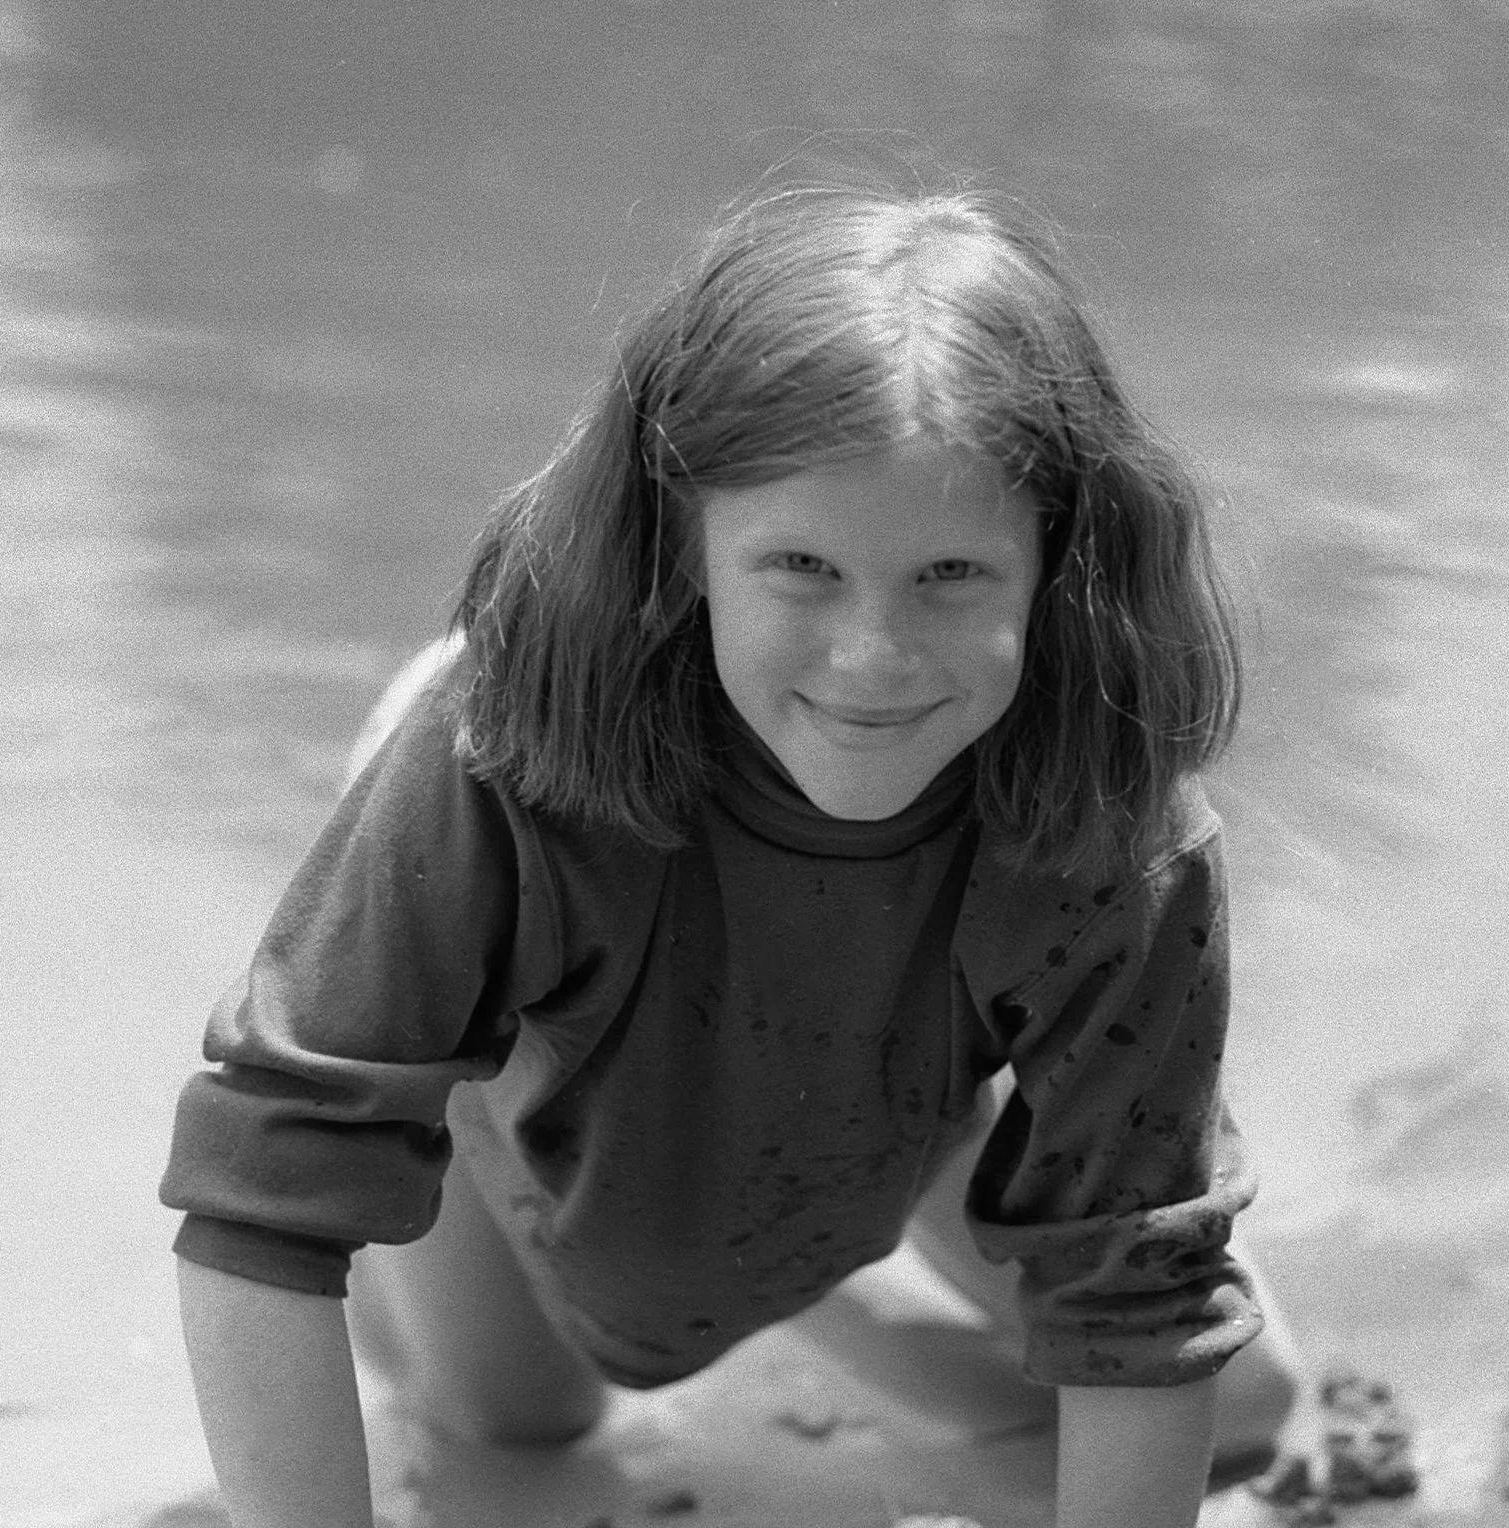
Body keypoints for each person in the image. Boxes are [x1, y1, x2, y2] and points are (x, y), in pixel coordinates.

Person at [162, 181, 1303, 1528]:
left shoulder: (1114, 829)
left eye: (950, 574)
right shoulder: (505, 754)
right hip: (549, 990)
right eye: (801, 566)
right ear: (680, 541)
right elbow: (263, 1202)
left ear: (1061, 559)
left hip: (892, 1054)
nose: (873, 656)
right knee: (519, 1427)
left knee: (1243, 1402)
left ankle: (795, 1264)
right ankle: (674, 1218)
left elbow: (1135, 1291)